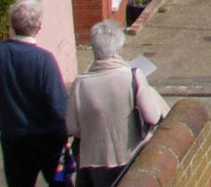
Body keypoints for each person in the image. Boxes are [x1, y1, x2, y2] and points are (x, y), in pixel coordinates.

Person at [66, 20, 168, 187]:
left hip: (94, 162)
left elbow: (72, 127)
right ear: (119, 47)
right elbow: (153, 117)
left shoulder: (80, 83)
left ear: (93, 48)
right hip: (132, 155)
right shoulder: (133, 75)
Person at [0, 0, 68, 187]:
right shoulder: (44, 60)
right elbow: (58, 106)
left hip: (13, 138)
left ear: (12, 24)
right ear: (39, 26)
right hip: (47, 139)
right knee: (61, 184)